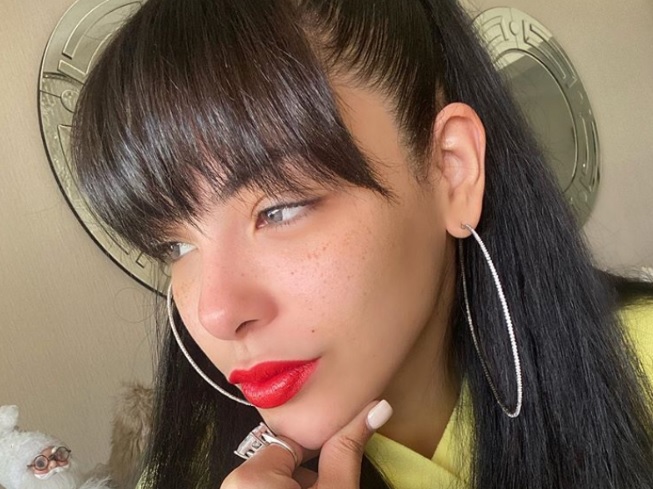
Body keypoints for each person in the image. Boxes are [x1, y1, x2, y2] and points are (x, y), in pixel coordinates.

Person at [70, 0, 653, 488]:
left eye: (280, 209)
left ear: (452, 171)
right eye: (174, 246)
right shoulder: (188, 476)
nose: (215, 314)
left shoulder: (638, 361)